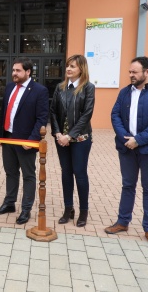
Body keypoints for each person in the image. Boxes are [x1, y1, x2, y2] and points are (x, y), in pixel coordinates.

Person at [105, 56, 148, 247]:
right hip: (127, 147)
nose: (131, 75)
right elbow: (115, 115)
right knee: (128, 185)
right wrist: (126, 138)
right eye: (130, 72)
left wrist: (139, 140)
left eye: (134, 72)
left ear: (147, 72)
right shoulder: (125, 92)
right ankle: (122, 222)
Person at [0, 57, 49, 225]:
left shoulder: (39, 91)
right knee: (10, 172)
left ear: (28, 72)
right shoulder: (10, 87)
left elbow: (41, 118)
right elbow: (3, 113)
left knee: (28, 175)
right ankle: (9, 203)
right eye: (13, 70)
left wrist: (32, 140)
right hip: (8, 138)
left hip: (25, 141)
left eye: (18, 70)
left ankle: (26, 209)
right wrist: (0, 135)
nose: (14, 73)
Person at [50, 55, 95, 227]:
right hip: (61, 139)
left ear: (81, 69)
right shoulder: (60, 87)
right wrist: (57, 133)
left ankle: (84, 211)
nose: (68, 69)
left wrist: (70, 135)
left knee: (80, 173)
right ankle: (69, 209)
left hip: (81, 139)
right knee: (66, 173)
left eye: (73, 66)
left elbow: (87, 114)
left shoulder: (88, 88)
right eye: (68, 66)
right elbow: (53, 111)